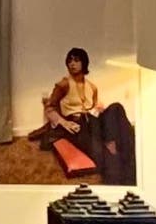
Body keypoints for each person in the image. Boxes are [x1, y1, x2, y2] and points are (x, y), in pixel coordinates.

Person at [34, 47, 136, 183]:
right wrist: (64, 122)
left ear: (84, 63)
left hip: (92, 120)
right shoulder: (63, 84)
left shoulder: (92, 87)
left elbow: (93, 106)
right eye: (69, 61)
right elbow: (50, 108)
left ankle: (128, 154)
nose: (72, 64)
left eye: (76, 60)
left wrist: (99, 109)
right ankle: (116, 176)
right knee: (100, 151)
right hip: (76, 124)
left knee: (116, 107)